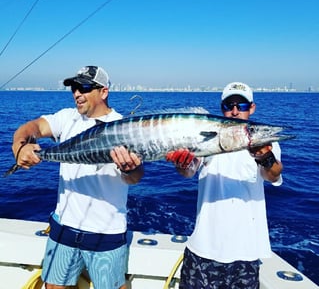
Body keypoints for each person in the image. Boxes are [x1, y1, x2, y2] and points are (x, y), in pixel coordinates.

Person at [11, 66, 144, 289]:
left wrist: (129, 170)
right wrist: (19, 146)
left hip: (106, 233)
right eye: (74, 88)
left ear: (103, 92)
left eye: (84, 87)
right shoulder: (67, 118)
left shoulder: (124, 127)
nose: (77, 94)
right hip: (63, 228)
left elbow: (136, 177)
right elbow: (31, 127)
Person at [166, 82, 283, 289]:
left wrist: (264, 157)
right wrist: (181, 163)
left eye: (242, 106)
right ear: (222, 108)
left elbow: (273, 175)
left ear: (252, 108)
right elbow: (188, 171)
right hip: (202, 249)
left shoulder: (264, 141)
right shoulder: (204, 134)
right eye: (229, 106)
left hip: (245, 254)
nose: (235, 111)